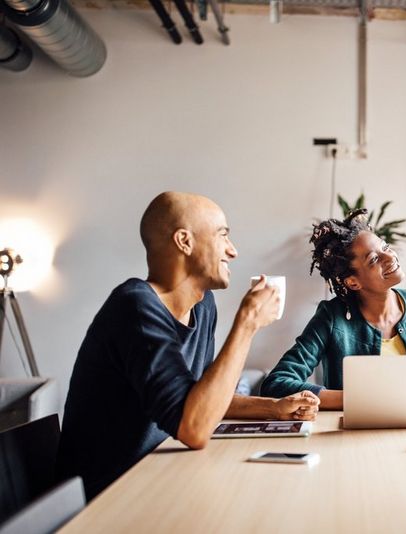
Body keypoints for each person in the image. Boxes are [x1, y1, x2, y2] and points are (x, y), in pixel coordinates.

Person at [58, 192, 320, 499]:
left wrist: (275, 409)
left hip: (157, 480)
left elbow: (200, 399)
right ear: (184, 241)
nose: (232, 251)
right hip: (109, 498)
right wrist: (247, 323)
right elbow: (193, 429)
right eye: (223, 236)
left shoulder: (203, 304)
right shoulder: (135, 308)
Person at [259, 209, 406, 409]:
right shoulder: (332, 317)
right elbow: (276, 383)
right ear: (353, 282)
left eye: (385, 247)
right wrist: (354, 400)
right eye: (373, 259)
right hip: (352, 435)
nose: (389, 257)